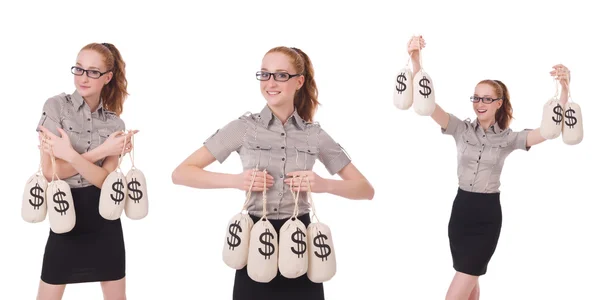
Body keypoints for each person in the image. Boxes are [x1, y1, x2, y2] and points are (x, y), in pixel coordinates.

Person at [171, 46, 375, 300]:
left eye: (280, 75)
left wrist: (324, 184)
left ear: (299, 81)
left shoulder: (315, 135)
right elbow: (181, 173)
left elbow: (366, 190)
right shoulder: (243, 129)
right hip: (254, 237)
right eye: (265, 74)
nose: (270, 83)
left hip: (301, 240)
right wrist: (236, 181)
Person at [406, 36, 570, 300]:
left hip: (487, 215)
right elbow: (428, 106)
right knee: (470, 286)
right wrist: (416, 62)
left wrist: (563, 91)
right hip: (461, 212)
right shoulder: (460, 129)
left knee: (457, 291)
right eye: (476, 97)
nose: (479, 103)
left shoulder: (507, 138)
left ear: (498, 103)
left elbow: (547, 132)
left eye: (486, 99)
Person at [36, 42, 137, 300]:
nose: (83, 77)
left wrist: (69, 155)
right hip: (64, 211)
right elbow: (50, 172)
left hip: (105, 220)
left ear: (107, 77)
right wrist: (100, 152)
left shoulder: (115, 123)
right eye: (79, 69)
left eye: (93, 71)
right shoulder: (56, 107)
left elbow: (106, 182)